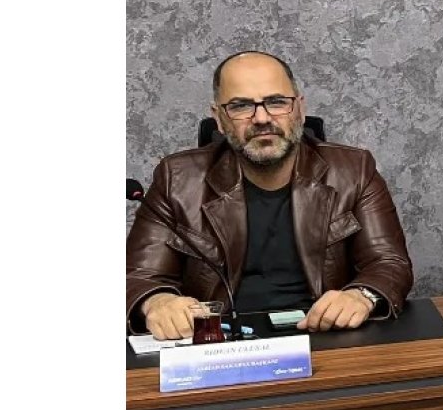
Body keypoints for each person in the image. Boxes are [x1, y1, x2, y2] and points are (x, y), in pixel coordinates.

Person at [127, 51, 414, 340]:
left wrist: (360, 295)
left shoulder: (354, 170)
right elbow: (137, 277)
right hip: (221, 343)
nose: (262, 118)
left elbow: (389, 263)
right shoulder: (177, 179)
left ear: (299, 108)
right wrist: (157, 302)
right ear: (219, 118)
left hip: (323, 334)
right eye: (241, 106)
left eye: (277, 102)